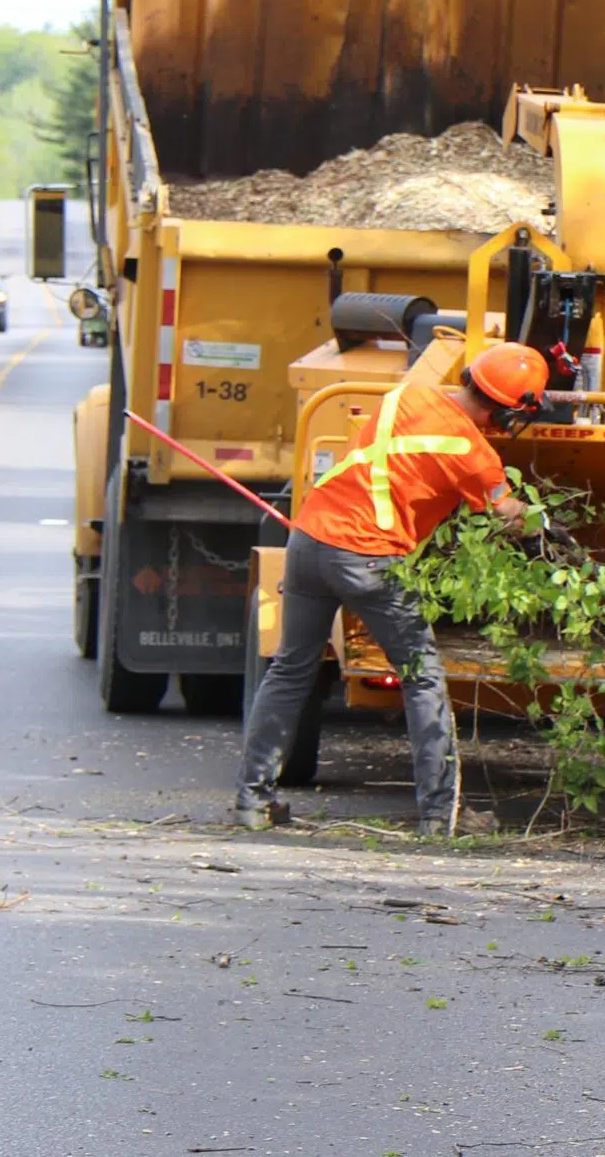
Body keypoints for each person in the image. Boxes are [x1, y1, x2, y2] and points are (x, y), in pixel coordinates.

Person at [234, 342, 550, 837]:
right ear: (513, 412)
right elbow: (506, 515)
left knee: (291, 669)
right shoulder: (476, 455)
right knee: (421, 676)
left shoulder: (407, 394)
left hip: (308, 541)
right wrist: (543, 529)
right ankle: (441, 814)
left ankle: (253, 801)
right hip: (368, 557)